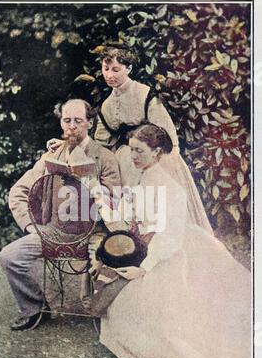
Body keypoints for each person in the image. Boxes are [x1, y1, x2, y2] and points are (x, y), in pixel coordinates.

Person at [98, 124, 251, 358]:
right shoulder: (144, 176)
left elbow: (169, 236)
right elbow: (136, 214)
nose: (133, 156)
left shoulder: (170, 188)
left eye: (139, 151)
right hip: (150, 242)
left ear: (157, 151)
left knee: (167, 319)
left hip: (173, 249)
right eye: (131, 150)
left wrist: (145, 268)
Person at [48, 42, 213, 235]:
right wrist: (70, 142)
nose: (110, 75)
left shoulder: (145, 95)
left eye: (116, 69)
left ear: (129, 68)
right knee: (131, 215)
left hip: (156, 160)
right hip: (125, 165)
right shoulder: (107, 105)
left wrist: (161, 164)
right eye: (106, 69)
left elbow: (168, 136)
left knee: (161, 214)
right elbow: (100, 145)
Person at [0, 99, 121, 331]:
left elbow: (117, 201)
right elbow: (18, 192)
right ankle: (34, 309)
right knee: (9, 256)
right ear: (61, 122)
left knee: (113, 259)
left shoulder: (105, 158)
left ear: (90, 122)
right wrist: (30, 226)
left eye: (78, 121)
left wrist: (94, 186)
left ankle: (105, 315)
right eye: (67, 120)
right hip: (56, 231)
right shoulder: (51, 157)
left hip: (95, 232)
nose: (72, 126)